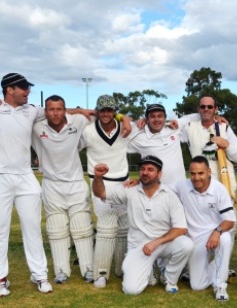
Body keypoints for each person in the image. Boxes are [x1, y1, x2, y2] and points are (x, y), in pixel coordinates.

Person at [0, 64, 52, 297]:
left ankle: (40, 275)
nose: (28, 91)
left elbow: (59, 110)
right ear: (9, 89)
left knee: (33, 228)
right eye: (24, 88)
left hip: (26, 176)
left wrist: (90, 113)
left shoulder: (32, 110)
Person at [92, 155, 194, 295]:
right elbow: (101, 193)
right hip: (139, 246)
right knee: (131, 290)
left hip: (162, 243)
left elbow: (181, 228)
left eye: (150, 169)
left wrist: (156, 242)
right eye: (142, 169)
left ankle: (169, 279)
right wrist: (98, 177)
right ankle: (148, 272)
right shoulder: (129, 189)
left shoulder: (169, 195)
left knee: (186, 244)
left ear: (159, 174)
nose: (145, 172)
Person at [31, 95, 94, 284]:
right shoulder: (36, 127)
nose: (55, 113)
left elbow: (104, 116)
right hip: (51, 185)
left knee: (82, 226)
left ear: (65, 110)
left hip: (75, 182)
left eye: (59, 109)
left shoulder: (79, 121)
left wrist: (123, 120)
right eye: (51, 109)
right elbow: (18, 117)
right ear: (45, 111)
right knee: (56, 229)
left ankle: (88, 269)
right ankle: (61, 271)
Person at [181, 95, 237, 278]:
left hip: (223, 183)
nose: (206, 109)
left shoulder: (224, 127)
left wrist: (227, 145)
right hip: (198, 184)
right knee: (196, 225)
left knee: (227, 225)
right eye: (202, 107)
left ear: (216, 109)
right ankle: (196, 266)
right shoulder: (190, 128)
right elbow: (170, 127)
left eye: (210, 107)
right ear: (198, 109)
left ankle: (222, 265)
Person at [82, 94, 132, 288]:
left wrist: (126, 119)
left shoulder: (125, 128)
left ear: (114, 112)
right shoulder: (88, 131)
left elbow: (148, 125)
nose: (106, 114)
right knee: (105, 227)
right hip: (100, 182)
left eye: (109, 110)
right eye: (102, 110)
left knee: (123, 229)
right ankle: (101, 273)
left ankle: (121, 268)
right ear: (98, 111)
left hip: (123, 183)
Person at [171, 156, 236, 301]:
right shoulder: (182, 186)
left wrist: (217, 232)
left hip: (217, 232)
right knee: (197, 285)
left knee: (225, 239)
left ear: (209, 172)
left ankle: (220, 285)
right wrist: (139, 181)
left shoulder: (219, 189)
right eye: (193, 173)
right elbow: (160, 190)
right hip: (196, 239)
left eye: (200, 173)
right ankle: (222, 267)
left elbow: (230, 220)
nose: (196, 177)